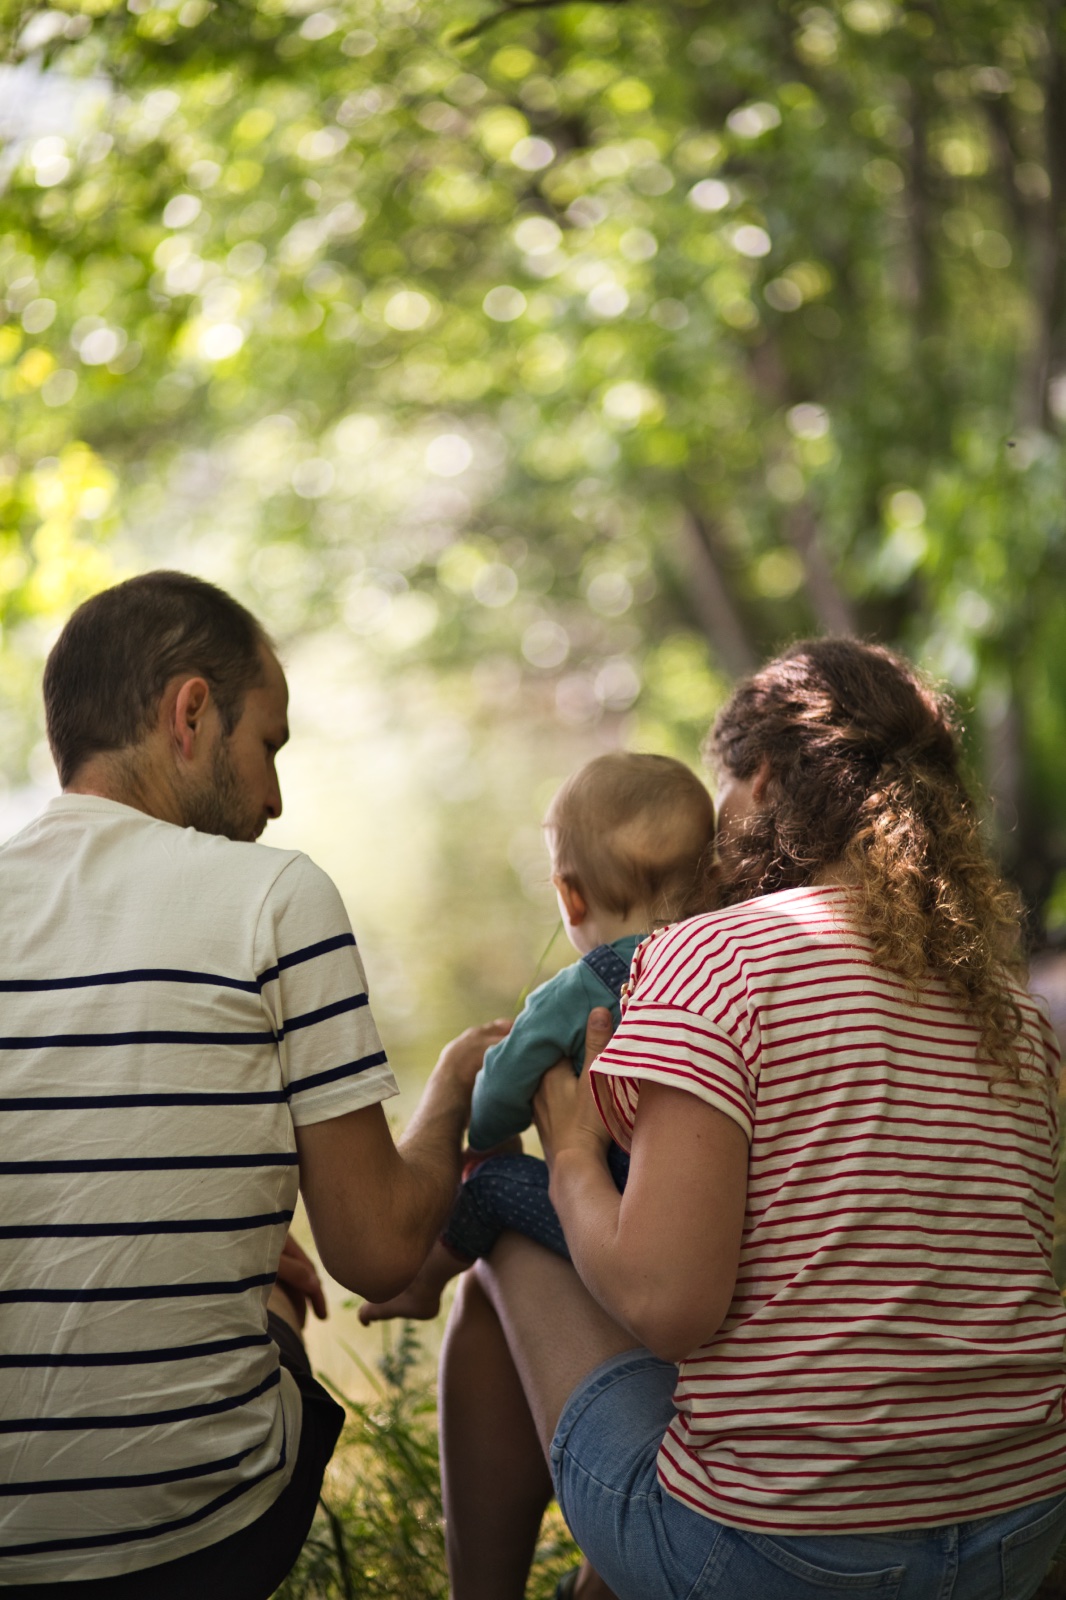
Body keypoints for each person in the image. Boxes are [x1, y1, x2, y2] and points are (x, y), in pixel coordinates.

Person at [438, 638, 1066, 1600]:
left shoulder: (715, 955)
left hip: (789, 1557)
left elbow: (667, 1306)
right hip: (1023, 1529)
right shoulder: (1009, 1008)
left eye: (720, 796)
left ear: (764, 778)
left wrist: (567, 1153)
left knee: (508, 1252)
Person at [0, 571, 505, 1597]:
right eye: (266, 744)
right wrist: (452, 1087)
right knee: (276, 1307)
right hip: (194, 1533)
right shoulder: (274, 896)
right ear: (191, 712)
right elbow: (372, 1251)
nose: (273, 797)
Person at [358, 752, 715, 1324]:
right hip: (706, 1225)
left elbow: (503, 1085)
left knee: (489, 1184)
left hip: (614, 1219)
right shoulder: (720, 969)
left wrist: (487, 1131)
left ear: (571, 898)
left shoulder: (579, 990)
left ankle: (421, 1284)